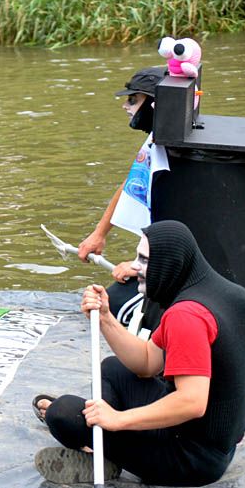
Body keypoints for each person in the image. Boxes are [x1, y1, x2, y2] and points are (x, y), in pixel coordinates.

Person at [35, 220, 245, 486]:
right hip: (218, 440)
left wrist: (118, 420)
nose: (134, 268)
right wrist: (106, 319)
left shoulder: (186, 316)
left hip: (192, 459)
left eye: (143, 260)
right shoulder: (233, 295)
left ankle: (98, 447)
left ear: (168, 265)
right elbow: (146, 363)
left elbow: (192, 402)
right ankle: (103, 434)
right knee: (112, 368)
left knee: (63, 414)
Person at [77, 66, 168, 328]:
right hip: (155, 259)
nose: (126, 106)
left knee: (111, 309)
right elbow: (132, 183)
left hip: (168, 265)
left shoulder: (173, 154)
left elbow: (178, 225)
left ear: (153, 104)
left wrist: (140, 266)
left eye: (133, 99)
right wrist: (99, 233)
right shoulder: (155, 140)